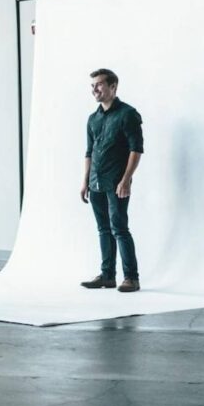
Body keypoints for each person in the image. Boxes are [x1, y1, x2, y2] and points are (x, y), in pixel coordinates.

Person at [80, 68, 144, 293]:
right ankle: (107, 275)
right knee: (103, 229)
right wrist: (85, 181)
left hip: (117, 182)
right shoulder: (93, 119)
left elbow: (136, 150)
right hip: (96, 182)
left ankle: (131, 278)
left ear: (113, 86)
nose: (94, 89)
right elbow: (89, 152)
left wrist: (126, 179)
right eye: (92, 86)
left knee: (119, 228)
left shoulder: (127, 114)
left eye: (98, 84)